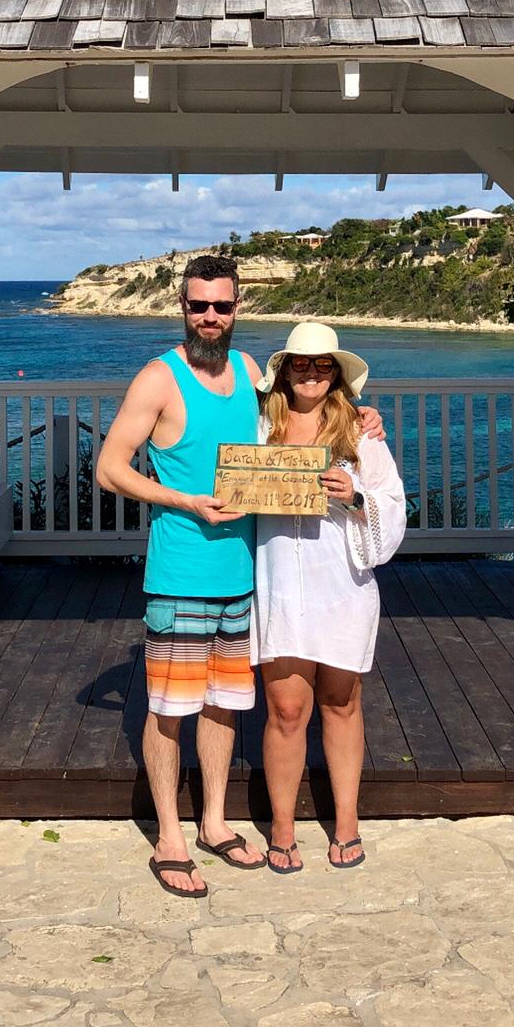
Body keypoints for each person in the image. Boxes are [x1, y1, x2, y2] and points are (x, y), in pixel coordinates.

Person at [97, 255, 382, 898]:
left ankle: (216, 822)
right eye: (199, 305)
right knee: (170, 708)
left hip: (247, 573)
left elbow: (303, 411)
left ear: (237, 309)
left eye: (222, 306)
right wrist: (186, 501)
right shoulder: (158, 379)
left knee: (225, 706)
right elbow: (110, 469)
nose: (210, 316)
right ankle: (171, 837)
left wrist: (364, 416)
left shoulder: (253, 372)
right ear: (182, 306)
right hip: (182, 569)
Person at [252, 322, 405, 873]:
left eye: (322, 365)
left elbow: (393, 507)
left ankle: (345, 824)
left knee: (341, 703)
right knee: (286, 709)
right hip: (279, 586)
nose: (312, 373)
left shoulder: (362, 435)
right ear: (284, 369)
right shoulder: (257, 423)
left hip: (343, 586)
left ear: (336, 372)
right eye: (300, 363)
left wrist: (356, 493)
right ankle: (283, 828)